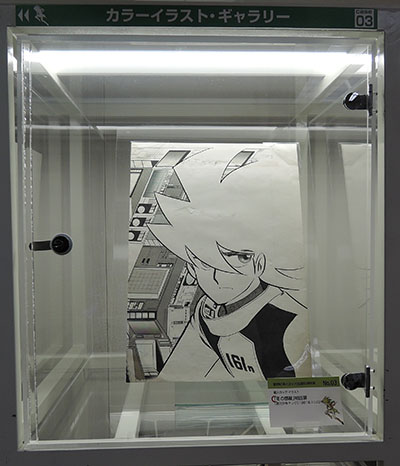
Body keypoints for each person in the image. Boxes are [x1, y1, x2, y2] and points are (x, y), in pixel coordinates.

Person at [148, 145, 309, 381]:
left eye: (235, 259)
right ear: (191, 265)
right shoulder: (206, 315)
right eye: (203, 263)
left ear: (257, 261)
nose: (217, 276)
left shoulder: (290, 320)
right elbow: (178, 373)